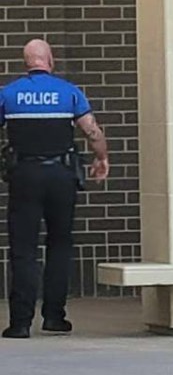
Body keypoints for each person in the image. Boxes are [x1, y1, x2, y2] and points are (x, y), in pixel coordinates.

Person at [2, 40, 109, 339]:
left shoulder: (8, 94)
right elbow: (91, 130)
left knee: (23, 248)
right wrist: (101, 157)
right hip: (62, 176)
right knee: (60, 244)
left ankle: (20, 323)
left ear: (27, 63)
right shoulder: (69, 92)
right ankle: (54, 317)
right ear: (50, 59)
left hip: (24, 175)